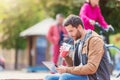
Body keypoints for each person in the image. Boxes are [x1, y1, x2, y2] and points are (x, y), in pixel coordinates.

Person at [45, 15, 110, 80]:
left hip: (95, 77)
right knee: (49, 77)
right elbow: (74, 67)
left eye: (71, 31)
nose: (70, 34)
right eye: (68, 32)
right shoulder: (77, 41)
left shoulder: (94, 40)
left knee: (65, 76)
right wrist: (66, 56)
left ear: (79, 27)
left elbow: (91, 68)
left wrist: (66, 69)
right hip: (83, 75)